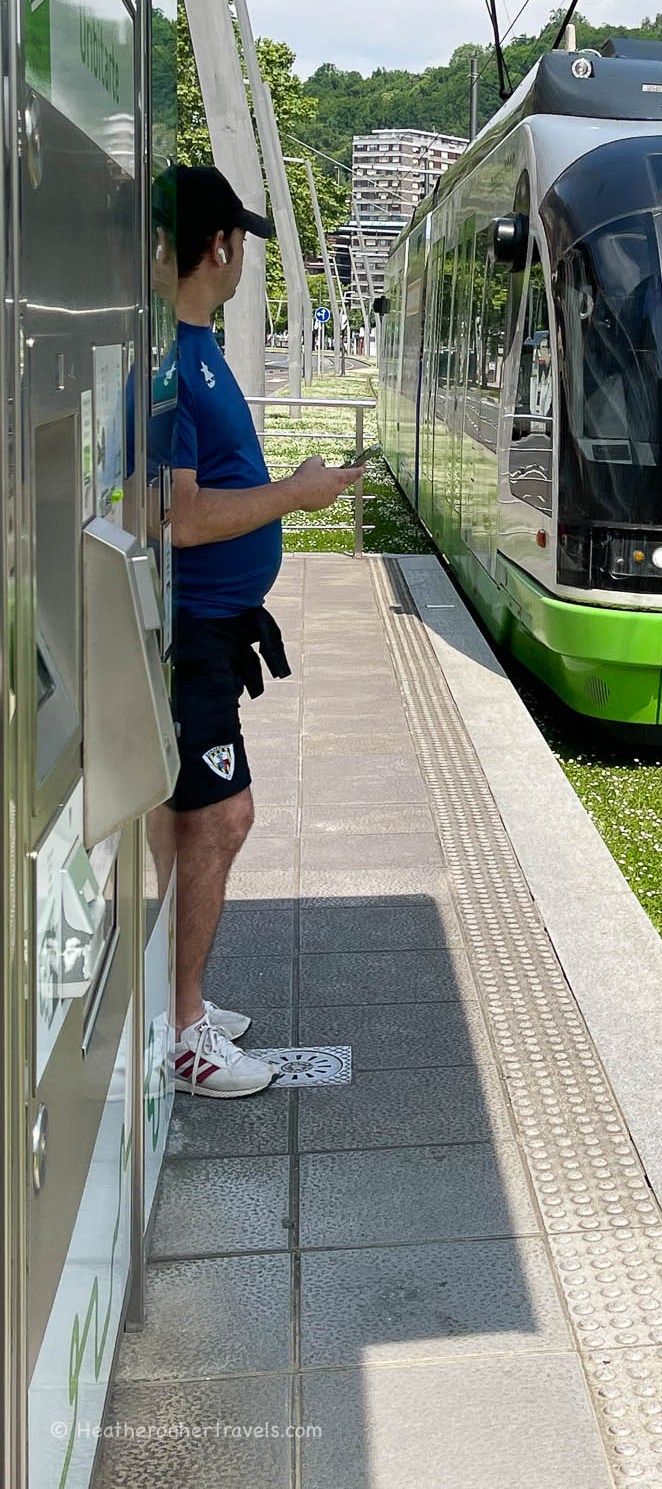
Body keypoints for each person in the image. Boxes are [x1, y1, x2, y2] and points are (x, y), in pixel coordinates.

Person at [161, 166, 362, 1097]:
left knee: (194, 821)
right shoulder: (172, 361)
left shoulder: (194, 347)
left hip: (211, 628)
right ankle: (183, 1034)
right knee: (221, 818)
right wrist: (297, 494)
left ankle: (179, 999)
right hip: (191, 633)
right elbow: (180, 517)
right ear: (220, 246)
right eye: (240, 241)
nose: (242, 256)